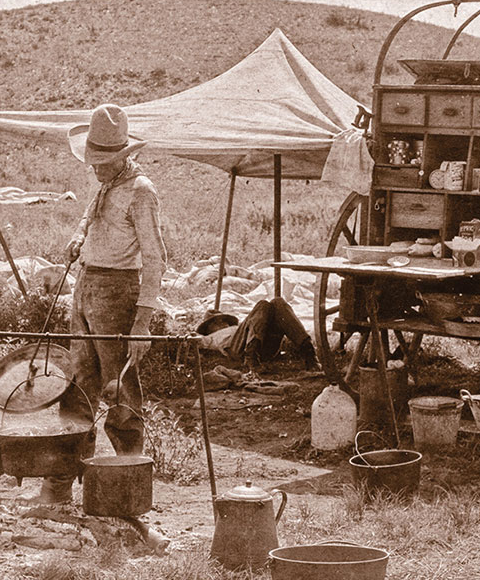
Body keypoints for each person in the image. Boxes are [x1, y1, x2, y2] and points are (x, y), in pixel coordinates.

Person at [34, 104, 167, 504]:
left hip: (118, 293)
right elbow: (90, 219)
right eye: (93, 162)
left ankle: (129, 489)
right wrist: (78, 238)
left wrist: (142, 322)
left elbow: (156, 258)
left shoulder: (141, 191)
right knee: (77, 388)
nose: (96, 169)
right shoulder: (105, 185)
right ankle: (59, 485)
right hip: (86, 288)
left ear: (124, 156)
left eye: (104, 162)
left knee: (121, 392)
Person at [196, 297, 317, 371]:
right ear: (209, 329)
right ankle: (251, 357)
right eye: (215, 322)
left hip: (263, 346)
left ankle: (308, 351)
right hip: (239, 349)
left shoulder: (238, 328)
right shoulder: (211, 337)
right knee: (263, 304)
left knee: (278, 302)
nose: (221, 322)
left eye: (223, 319)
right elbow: (197, 342)